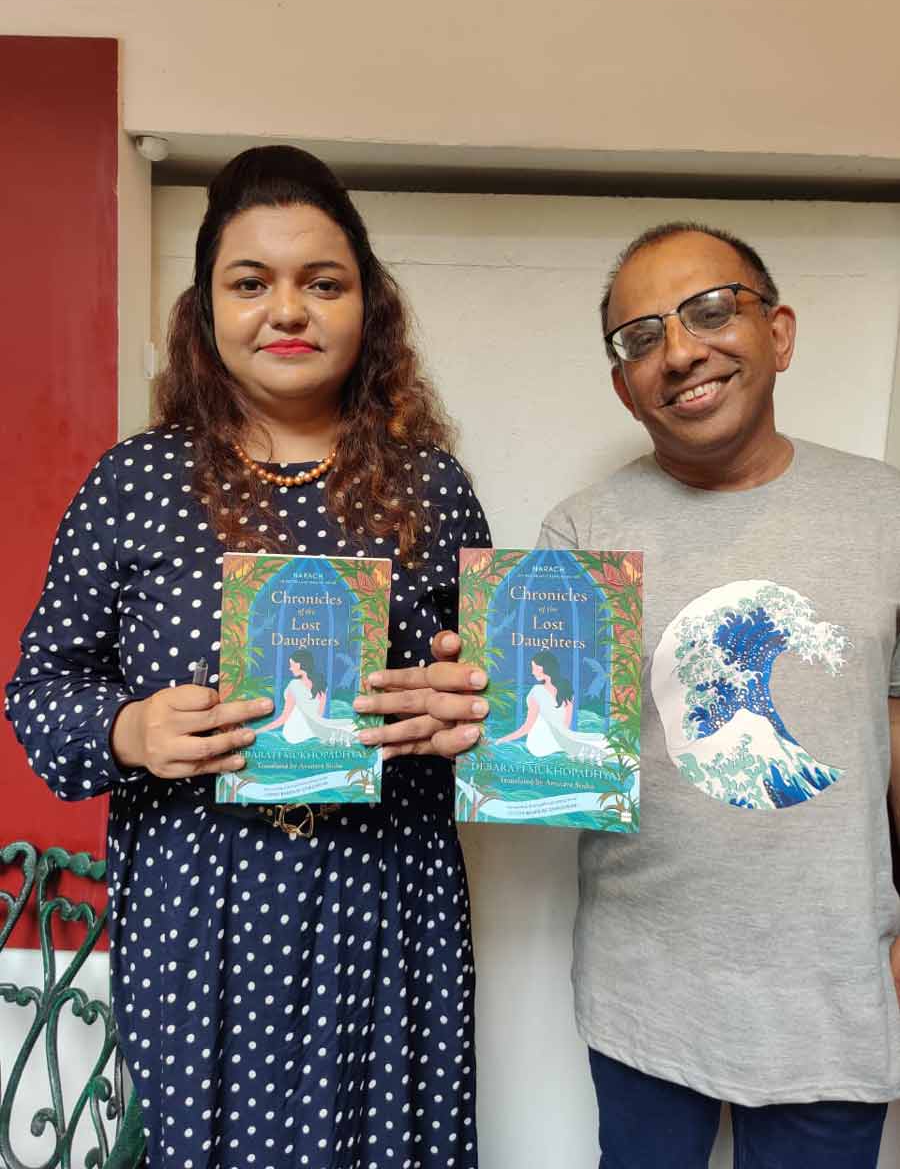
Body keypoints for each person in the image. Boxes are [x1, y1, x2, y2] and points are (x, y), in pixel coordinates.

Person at [366, 222, 900, 1167]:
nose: (680, 351)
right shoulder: (582, 532)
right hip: (646, 992)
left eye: (709, 311)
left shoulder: (886, 512)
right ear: (623, 384)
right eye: (640, 337)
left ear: (778, 332)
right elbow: (552, 750)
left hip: (838, 994)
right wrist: (470, 714)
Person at [5, 145, 490, 1169]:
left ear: (371, 307)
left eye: (324, 282)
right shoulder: (133, 485)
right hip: (197, 919)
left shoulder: (432, 487)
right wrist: (128, 728)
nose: (289, 310)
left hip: (386, 910)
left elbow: (496, 708)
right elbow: (41, 685)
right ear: (205, 309)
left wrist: (469, 717)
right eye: (250, 282)